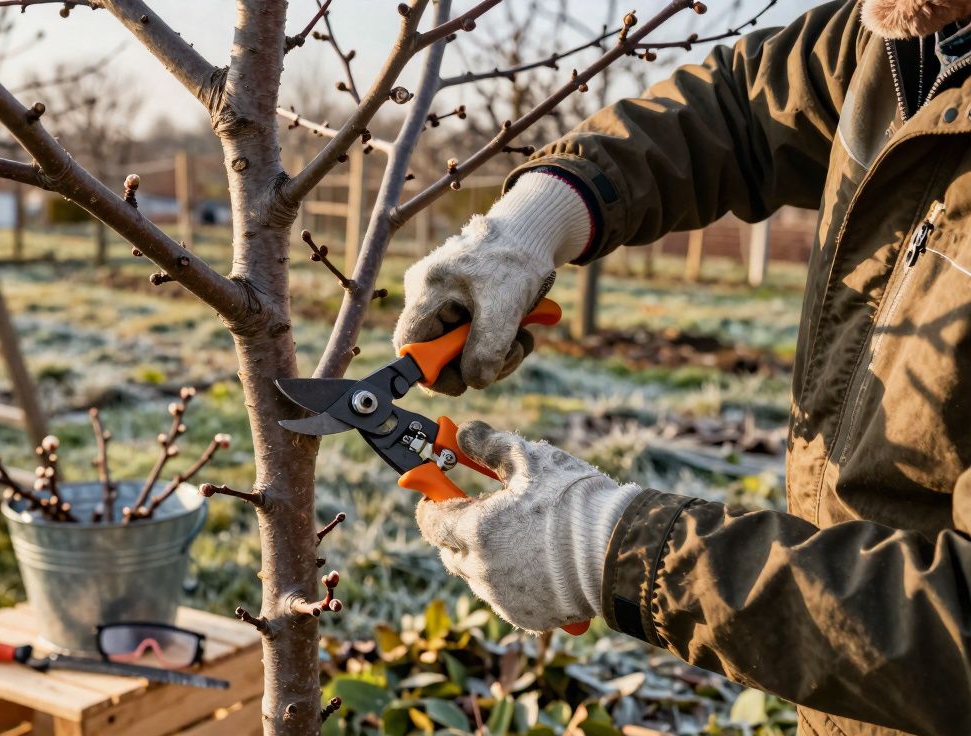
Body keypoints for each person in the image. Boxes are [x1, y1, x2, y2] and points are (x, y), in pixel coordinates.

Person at [394, 2, 971, 735]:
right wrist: (536, 222)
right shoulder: (912, 35)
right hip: (842, 695)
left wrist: (610, 549)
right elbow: (742, 104)